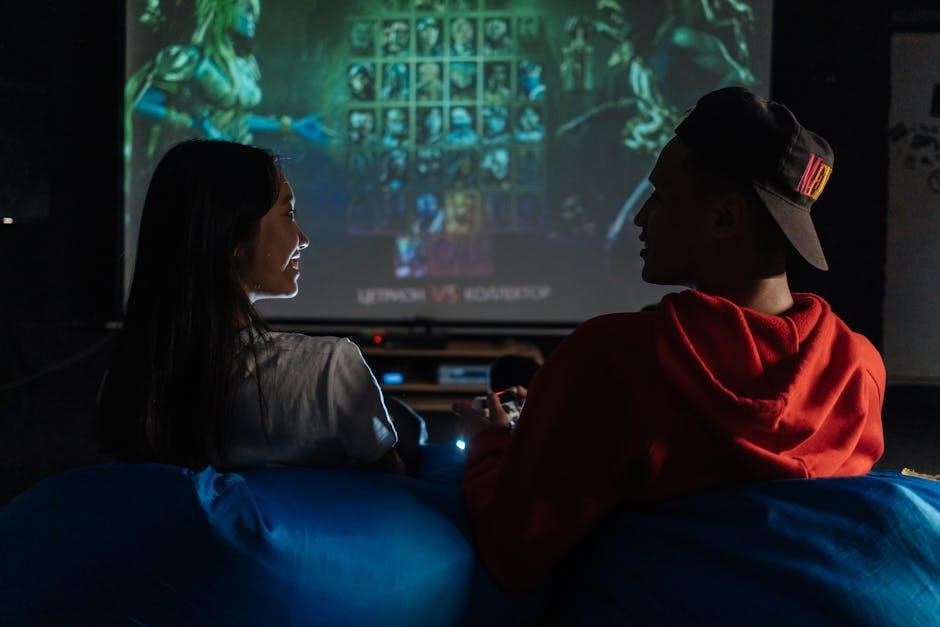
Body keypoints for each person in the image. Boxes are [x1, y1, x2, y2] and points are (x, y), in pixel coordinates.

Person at [454, 86, 886, 593]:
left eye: (660, 195)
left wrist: (489, 445)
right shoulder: (860, 369)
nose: (641, 216)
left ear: (725, 217)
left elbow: (513, 549)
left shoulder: (611, 358)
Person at [98, 139, 409, 474]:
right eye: (288, 214)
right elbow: (395, 490)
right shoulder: (327, 370)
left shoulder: (125, 381)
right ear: (232, 234)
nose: (303, 239)